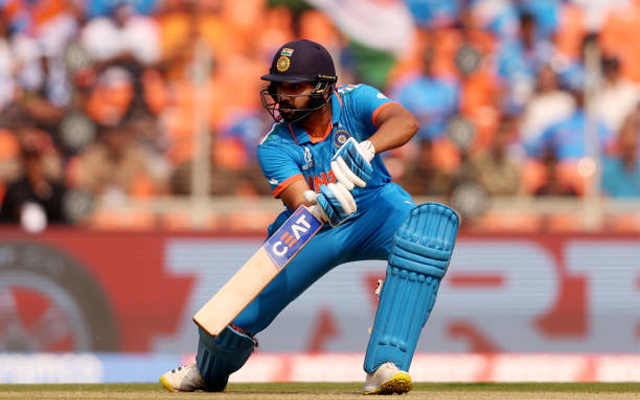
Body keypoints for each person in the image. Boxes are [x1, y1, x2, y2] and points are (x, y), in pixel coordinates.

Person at [159, 39, 459, 395]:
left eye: (295, 88)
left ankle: (385, 365)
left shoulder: (356, 99)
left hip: (377, 208)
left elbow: (405, 121)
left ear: (324, 88)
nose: (283, 97)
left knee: (425, 233)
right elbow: (296, 200)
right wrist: (318, 203)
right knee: (233, 323)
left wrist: (368, 147)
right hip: (313, 226)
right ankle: (207, 370)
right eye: (279, 87)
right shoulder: (273, 144)